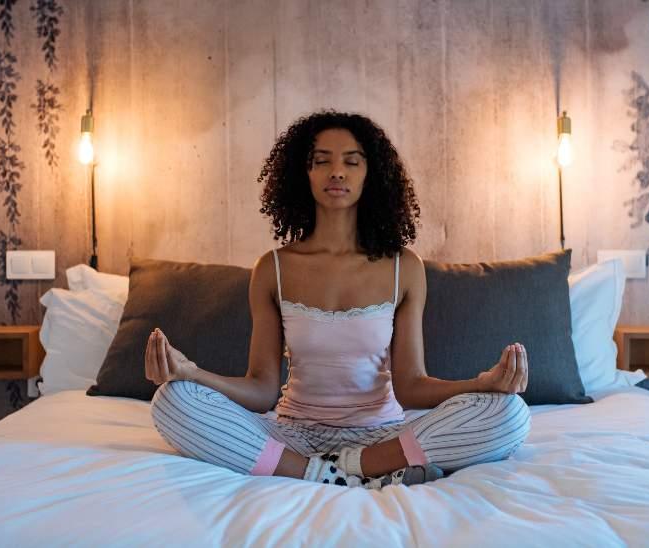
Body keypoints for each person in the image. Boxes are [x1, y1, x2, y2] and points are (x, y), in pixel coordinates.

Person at [145, 110, 531, 489]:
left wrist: (481, 384)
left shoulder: (404, 267)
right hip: (293, 435)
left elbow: (411, 386)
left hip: (383, 437)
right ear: (304, 173)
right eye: (321, 161)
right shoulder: (273, 268)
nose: (337, 172)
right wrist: (189, 372)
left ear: (371, 174)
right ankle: (332, 474)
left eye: (352, 161)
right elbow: (262, 388)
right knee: (171, 400)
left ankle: (350, 466)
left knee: (511, 413)